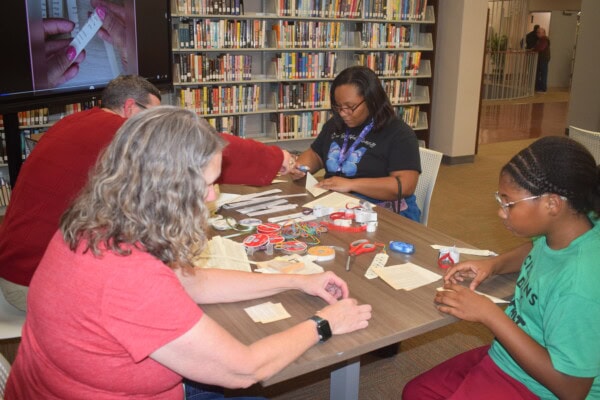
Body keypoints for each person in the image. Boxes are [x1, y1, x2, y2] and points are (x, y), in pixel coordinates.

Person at [4, 106, 372, 399]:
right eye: (209, 184)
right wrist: (325, 324)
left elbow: (190, 282)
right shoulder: (127, 276)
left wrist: (298, 280)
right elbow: (243, 369)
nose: (213, 196)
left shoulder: (100, 223)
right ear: (170, 189)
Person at [0, 75, 295, 312]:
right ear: (130, 108)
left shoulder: (73, 122)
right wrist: (276, 157)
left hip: (20, 264)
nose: (158, 129)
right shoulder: (119, 133)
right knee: (168, 295)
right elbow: (194, 145)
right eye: (154, 118)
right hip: (37, 283)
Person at [403, 136, 600, 399]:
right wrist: (493, 265)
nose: (500, 212)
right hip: (510, 356)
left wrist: (489, 314)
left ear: (552, 203)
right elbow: (537, 247)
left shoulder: (580, 283)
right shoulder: (570, 227)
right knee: (416, 392)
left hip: (541, 387)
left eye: (508, 203)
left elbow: (572, 389)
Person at [290, 66, 422, 221]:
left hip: (384, 211)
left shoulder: (398, 133)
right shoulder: (336, 124)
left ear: (372, 99)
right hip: (339, 203)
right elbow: (316, 154)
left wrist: (351, 185)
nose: (343, 113)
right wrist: (301, 167)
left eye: (350, 107)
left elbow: (404, 186)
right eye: (338, 107)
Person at [533, 27, 551, 92]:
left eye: (539, 32)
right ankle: (540, 87)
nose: (537, 34)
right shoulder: (541, 39)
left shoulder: (544, 39)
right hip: (543, 58)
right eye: (537, 32)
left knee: (543, 73)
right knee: (541, 73)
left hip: (543, 58)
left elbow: (541, 48)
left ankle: (542, 88)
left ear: (543, 33)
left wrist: (533, 50)